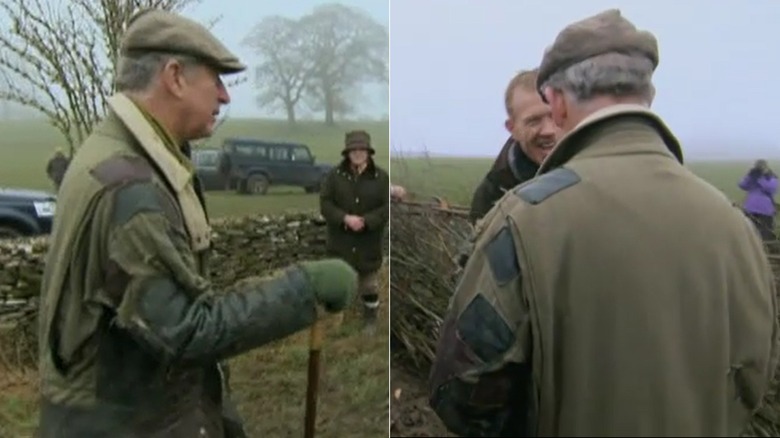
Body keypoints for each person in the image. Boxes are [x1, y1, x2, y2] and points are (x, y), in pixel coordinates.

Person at [428, 9, 779, 437]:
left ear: (556, 100)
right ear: (647, 92)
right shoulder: (734, 224)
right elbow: (754, 375)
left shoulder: (523, 221)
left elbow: (461, 394)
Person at [37, 9, 357, 438]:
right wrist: (304, 288)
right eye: (217, 79)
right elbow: (186, 332)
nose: (224, 97)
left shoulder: (114, 154)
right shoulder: (132, 188)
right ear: (174, 76)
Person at [468, 68, 560, 224]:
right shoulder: (493, 195)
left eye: (555, 116)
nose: (548, 131)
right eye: (534, 121)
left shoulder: (595, 172)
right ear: (512, 129)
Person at [320, 130, 390, 335]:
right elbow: (325, 204)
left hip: (368, 243)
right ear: (347, 152)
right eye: (354, 149)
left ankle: (370, 321)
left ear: (369, 152)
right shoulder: (334, 176)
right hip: (340, 242)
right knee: (338, 283)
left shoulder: (381, 178)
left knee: (369, 286)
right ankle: (336, 322)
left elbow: (386, 208)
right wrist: (345, 218)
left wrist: (367, 221)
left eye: (362, 149)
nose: (358, 153)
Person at [739, 159, 778, 242]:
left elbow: (771, 189)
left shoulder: (770, 177)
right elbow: (742, 185)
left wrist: (760, 179)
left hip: (764, 209)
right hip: (752, 208)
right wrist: (749, 176)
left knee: (765, 233)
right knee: (750, 231)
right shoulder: (753, 176)